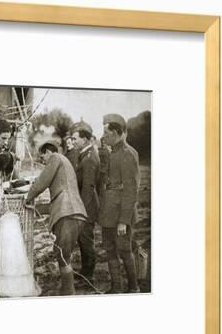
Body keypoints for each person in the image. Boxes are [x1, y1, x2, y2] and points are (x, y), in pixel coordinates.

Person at [25, 141, 87, 295]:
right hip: (75, 213)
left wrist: (28, 197)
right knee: (64, 253)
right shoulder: (64, 162)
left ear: (48, 152)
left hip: (68, 213)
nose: (42, 162)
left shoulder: (55, 158)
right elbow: (58, 197)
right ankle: (67, 289)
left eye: (42, 157)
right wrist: (37, 208)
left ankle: (68, 291)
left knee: (62, 254)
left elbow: (42, 182)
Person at [99, 113, 141, 294]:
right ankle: (117, 288)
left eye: (106, 134)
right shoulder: (113, 152)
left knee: (124, 250)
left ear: (116, 133)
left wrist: (124, 220)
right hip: (109, 212)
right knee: (109, 249)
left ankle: (134, 288)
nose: (103, 137)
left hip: (120, 214)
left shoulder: (127, 154)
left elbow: (131, 190)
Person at [72, 128, 101, 288]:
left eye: (76, 138)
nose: (73, 141)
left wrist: (81, 209)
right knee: (83, 241)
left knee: (86, 241)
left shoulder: (89, 158)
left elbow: (88, 188)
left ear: (85, 139)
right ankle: (85, 272)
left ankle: (89, 277)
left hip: (87, 206)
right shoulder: (85, 155)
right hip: (86, 205)